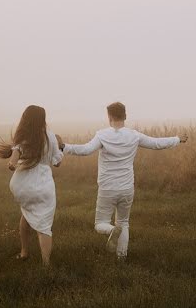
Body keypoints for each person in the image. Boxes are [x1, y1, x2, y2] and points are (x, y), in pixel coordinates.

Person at [63, 102, 187, 260]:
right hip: (127, 187)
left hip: (108, 187)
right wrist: (177, 139)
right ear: (125, 116)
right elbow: (157, 144)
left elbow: (85, 150)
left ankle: (111, 231)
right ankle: (121, 258)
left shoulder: (102, 135)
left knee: (100, 224)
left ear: (109, 117)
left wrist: (63, 147)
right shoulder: (134, 135)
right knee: (123, 222)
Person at [0, 105, 65, 266]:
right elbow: (57, 162)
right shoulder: (51, 137)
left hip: (22, 185)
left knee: (27, 213)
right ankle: (46, 264)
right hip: (43, 186)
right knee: (44, 225)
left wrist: (13, 163)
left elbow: (12, 163)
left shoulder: (22, 138)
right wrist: (60, 147)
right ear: (43, 119)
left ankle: (24, 252)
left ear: (25, 119)